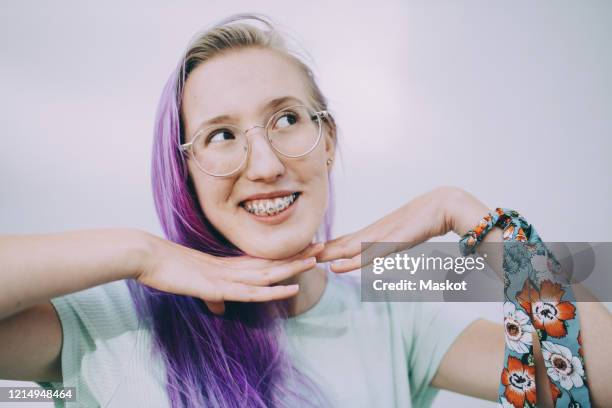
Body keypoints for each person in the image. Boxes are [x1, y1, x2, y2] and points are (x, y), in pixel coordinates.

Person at [0, 14, 610, 408]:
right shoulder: (110, 315)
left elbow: (596, 377)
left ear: (330, 141)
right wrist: (139, 252)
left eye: (287, 118)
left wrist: (467, 215)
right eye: (220, 135)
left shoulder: (391, 304)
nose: (263, 163)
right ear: (182, 170)